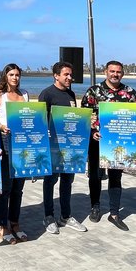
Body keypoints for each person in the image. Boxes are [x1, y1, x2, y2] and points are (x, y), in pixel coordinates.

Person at [81, 60, 136, 231]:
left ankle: (114, 213)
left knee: (115, 177)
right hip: (96, 142)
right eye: (112, 71)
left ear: (122, 73)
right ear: (105, 72)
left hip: (119, 144)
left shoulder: (130, 93)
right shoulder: (93, 91)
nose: (115, 74)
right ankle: (95, 206)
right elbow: (86, 116)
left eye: (118, 72)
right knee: (95, 176)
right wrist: (93, 131)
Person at [38, 61, 88, 235]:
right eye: (65, 74)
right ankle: (49, 217)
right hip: (53, 148)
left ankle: (65, 216)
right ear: (56, 75)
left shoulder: (71, 94)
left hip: (70, 148)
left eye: (70, 75)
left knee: (68, 181)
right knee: (50, 181)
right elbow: (41, 121)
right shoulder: (47, 94)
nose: (69, 78)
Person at [0, 63, 29, 244]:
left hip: (22, 144)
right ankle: (2, 226)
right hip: (4, 143)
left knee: (18, 188)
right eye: (11, 74)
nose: (15, 78)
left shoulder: (24, 94)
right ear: (5, 76)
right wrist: (0, 126)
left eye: (17, 75)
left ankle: (15, 223)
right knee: (5, 188)